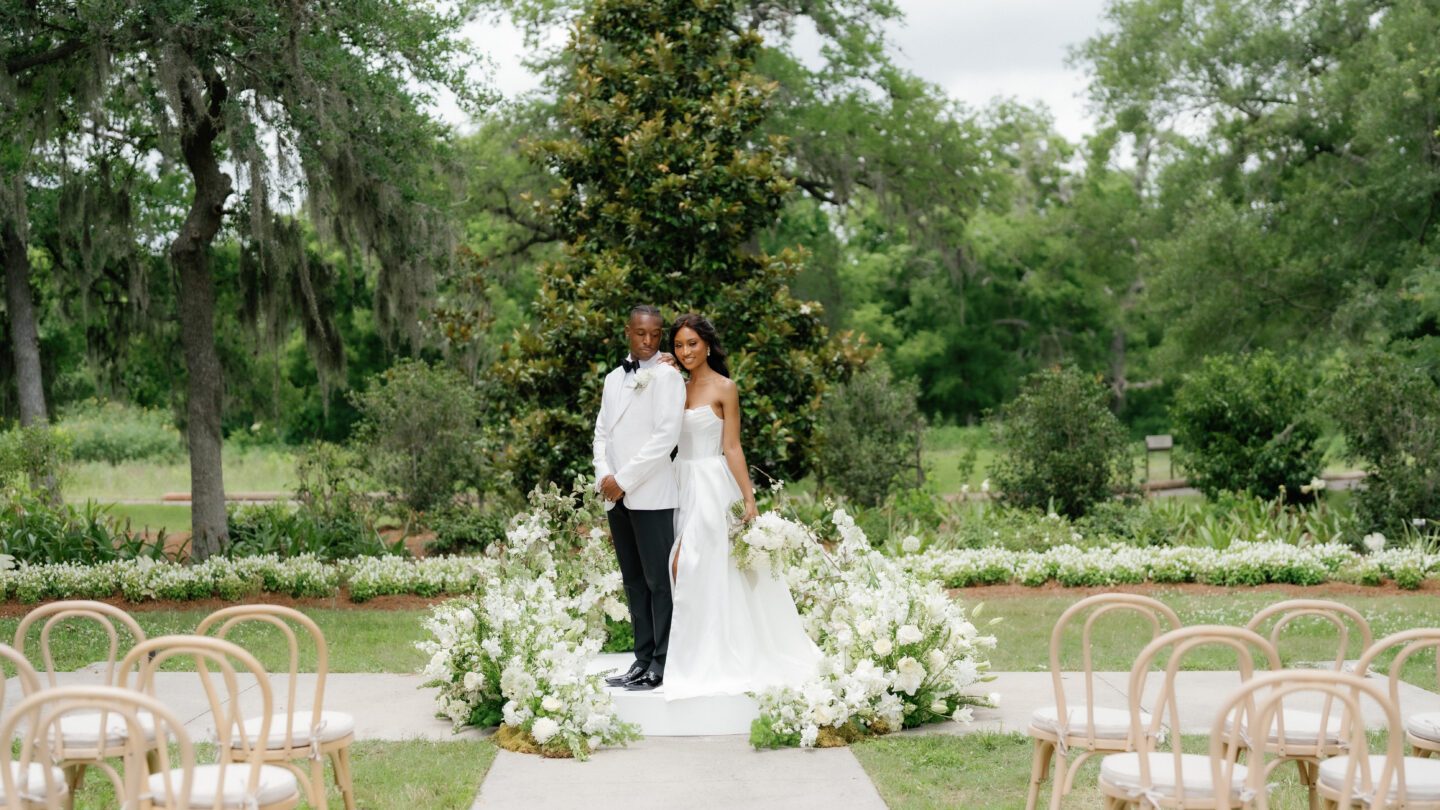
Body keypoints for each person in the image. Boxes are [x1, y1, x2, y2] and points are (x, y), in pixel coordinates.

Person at [662, 313, 821, 701]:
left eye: (692, 344)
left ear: (708, 344)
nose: (686, 352)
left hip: (712, 484)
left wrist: (749, 497)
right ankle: (697, 648)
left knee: (692, 563)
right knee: (682, 566)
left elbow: (732, 446)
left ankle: (714, 654)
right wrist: (658, 369)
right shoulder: (673, 386)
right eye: (679, 345)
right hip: (678, 481)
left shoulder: (725, 388)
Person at [594, 305, 687, 692]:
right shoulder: (614, 377)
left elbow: (665, 439)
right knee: (633, 581)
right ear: (628, 332)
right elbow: (601, 432)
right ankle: (642, 657)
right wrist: (605, 477)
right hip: (615, 495)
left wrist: (625, 480)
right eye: (640, 334)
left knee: (658, 582)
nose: (648, 341)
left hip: (651, 494)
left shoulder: (668, 377)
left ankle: (662, 663)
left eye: (655, 334)